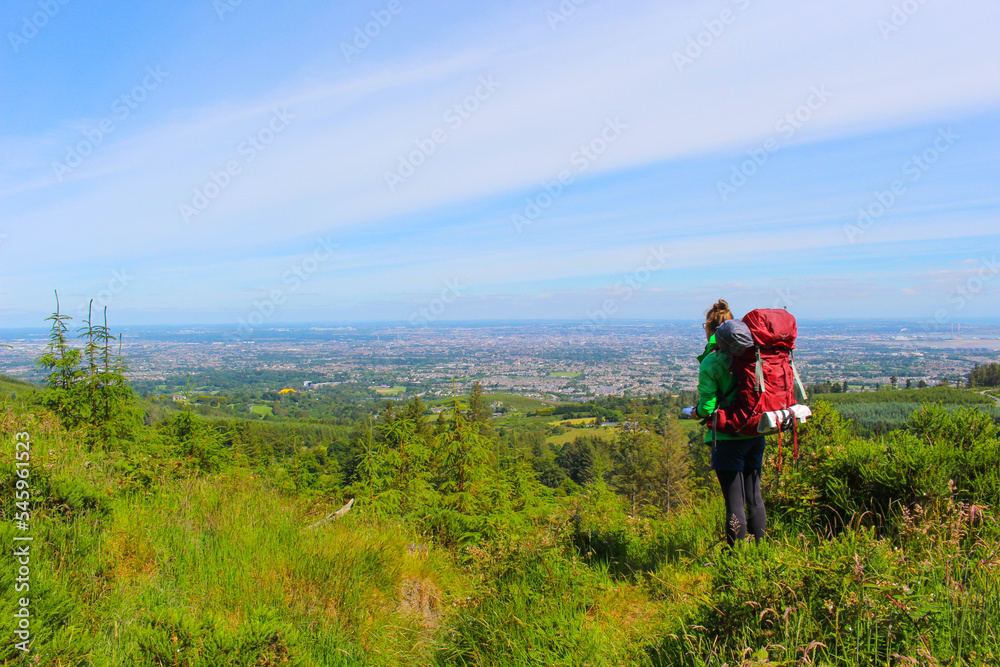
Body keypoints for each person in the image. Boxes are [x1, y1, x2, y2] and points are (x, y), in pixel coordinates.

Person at [693, 299, 767, 546]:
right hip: (756, 431)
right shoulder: (751, 353)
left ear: (709, 329)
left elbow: (707, 408)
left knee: (734, 502)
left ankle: (736, 561)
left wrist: (695, 413)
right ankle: (760, 552)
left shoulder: (712, 360)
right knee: (754, 498)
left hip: (727, 436)